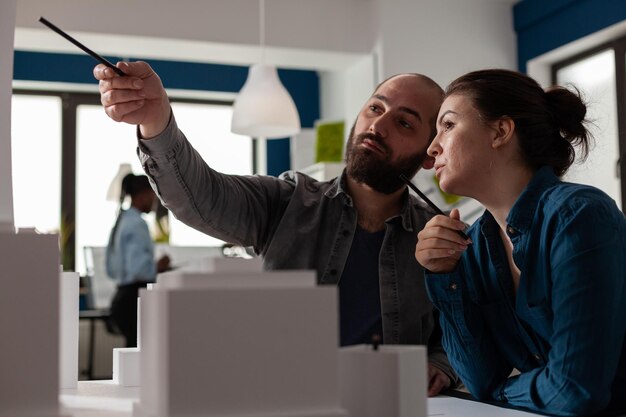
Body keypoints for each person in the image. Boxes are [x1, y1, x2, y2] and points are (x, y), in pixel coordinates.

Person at [94, 61, 455, 395]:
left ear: (430, 153)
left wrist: (440, 363)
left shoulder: (440, 238)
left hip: (387, 402)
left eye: (404, 122)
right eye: (375, 108)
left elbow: (463, 329)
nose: (378, 126)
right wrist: (156, 120)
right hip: (285, 399)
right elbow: (202, 196)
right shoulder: (288, 200)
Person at [415, 69, 626, 416]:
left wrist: (500, 392)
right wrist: (443, 275)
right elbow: (479, 379)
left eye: (448, 125)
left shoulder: (579, 216)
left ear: (500, 131)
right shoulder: (473, 247)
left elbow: (574, 390)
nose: (431, 147)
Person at [106, 173, 171, 347]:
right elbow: (138, 270)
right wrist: (157, 266)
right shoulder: (137, 224)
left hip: (121, 297)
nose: (155, 201)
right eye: (153, 195)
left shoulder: (122, 220)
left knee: (132, 351)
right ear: (142, 195)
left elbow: (112, 268)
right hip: (134, 299)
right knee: (141, 351)